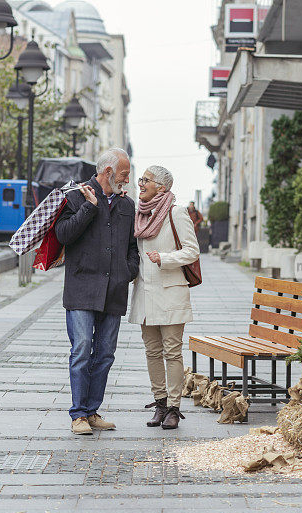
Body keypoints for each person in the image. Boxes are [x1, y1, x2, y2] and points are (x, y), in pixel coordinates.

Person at [55, 147, 139, 435]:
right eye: (124, 175)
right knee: (81, 350)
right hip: (81, 288)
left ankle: (92, 412)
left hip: (113, 290)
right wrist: (89, 207)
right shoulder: (76, 196)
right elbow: (64, 235)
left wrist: (129, 271)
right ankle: (78, 414)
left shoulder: (128, 205)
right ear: (108, 173)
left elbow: (132, 247)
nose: (127, 181)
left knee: (105, 354)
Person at [129, 166, 199, 430]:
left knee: (172, 351)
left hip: (170, 292)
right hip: (145, 295)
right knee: (152, 351)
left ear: (162, 187)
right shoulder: (140, 215)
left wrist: (165, 259)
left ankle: (173, 407)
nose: (141, 183)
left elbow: (192, 251)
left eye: (147, 180)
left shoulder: (176, 213)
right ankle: (159, 403)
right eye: (141, 179)